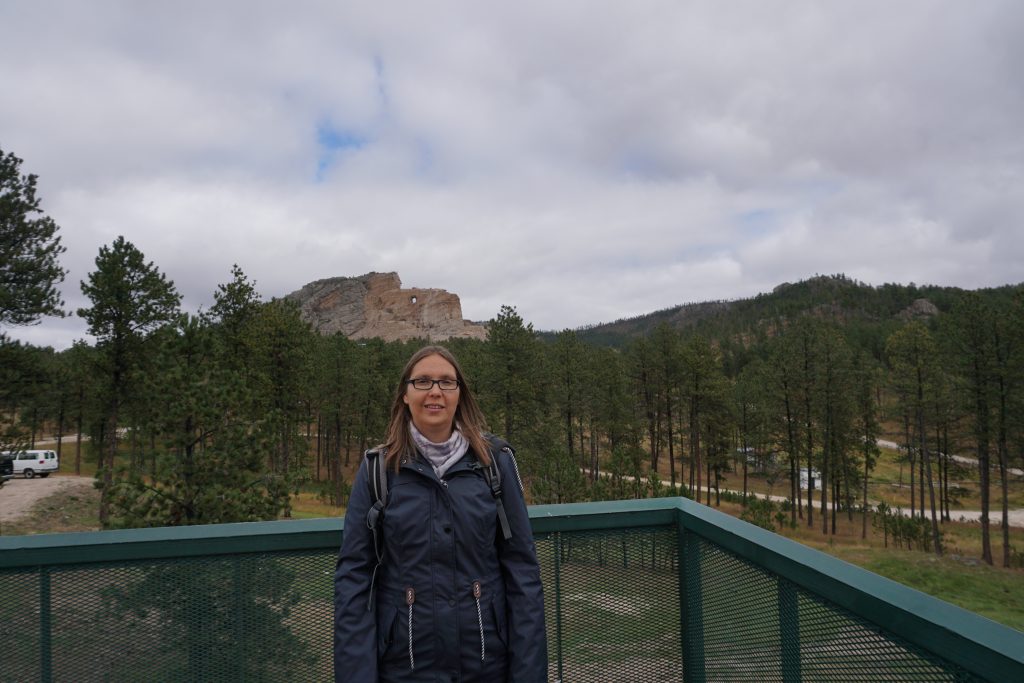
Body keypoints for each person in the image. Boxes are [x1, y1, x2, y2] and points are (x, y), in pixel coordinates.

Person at [334, 345, 548, 682]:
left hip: (486, 666)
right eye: (422, 382)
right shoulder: (378, 470)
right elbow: (354, 579)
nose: (435, 391)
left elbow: (523, 573)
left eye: (447, 382)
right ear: (405, 394)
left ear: (459, 394)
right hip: (405, 669)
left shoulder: (495, 465)